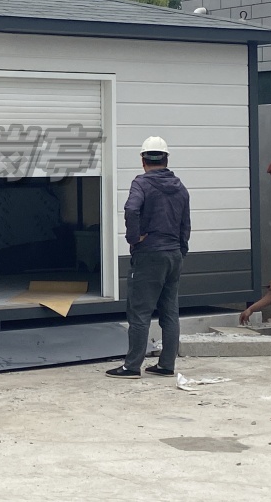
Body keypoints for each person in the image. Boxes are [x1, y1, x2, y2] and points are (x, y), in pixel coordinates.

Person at [107, 136, 191, 379]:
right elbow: (185, 224)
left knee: (140, 312)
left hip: (149, 255)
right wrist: (180, 250)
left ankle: (132, 366)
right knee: (170, 312)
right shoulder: (180, 187)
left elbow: (131, 209)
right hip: (174, 255)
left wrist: (134, 238)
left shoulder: (141, 184)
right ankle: (166, 365)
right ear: (166, 159)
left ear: (143, 160)